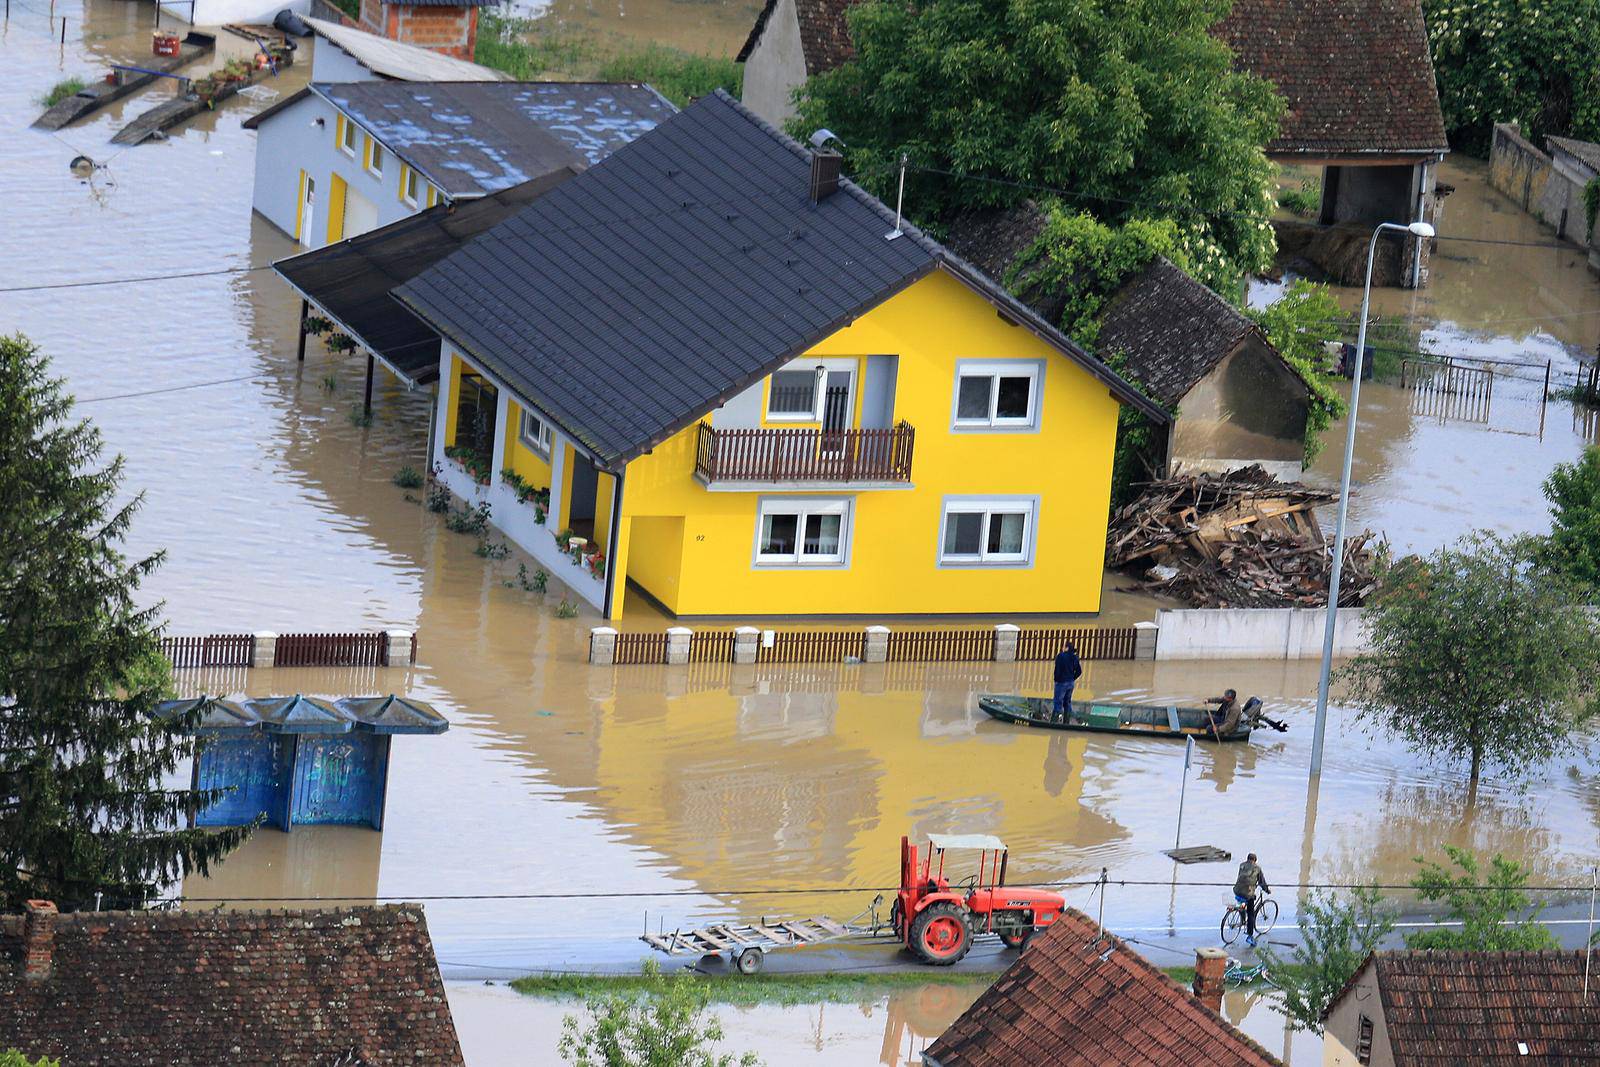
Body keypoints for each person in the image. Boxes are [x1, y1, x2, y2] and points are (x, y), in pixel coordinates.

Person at [1233, 853, 1271, 946]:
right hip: (1248, 894)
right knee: (1251, 914)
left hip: (1237, 890)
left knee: (1242, 903)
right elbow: (1262, 882)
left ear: (1247, 859)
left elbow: (1241, 878)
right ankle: (1250, 936)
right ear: (1255, 860)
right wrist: (1267, 890)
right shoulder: (1257, 868)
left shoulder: (1242, 865)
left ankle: (1242, 916)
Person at [1052, 642, 1082, 722]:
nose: (1062, 648)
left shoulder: (1061, 656)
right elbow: (1079, 671)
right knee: (1067, 702)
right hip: (1070, 683)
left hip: (1061, 682)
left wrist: (1057, 680)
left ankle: (1054, 722)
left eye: (1063, 646)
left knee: (1058, 702)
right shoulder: (1075, 657)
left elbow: (1057, 670)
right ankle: (1066, 722)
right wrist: (1072, 678)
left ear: (1066, 648)